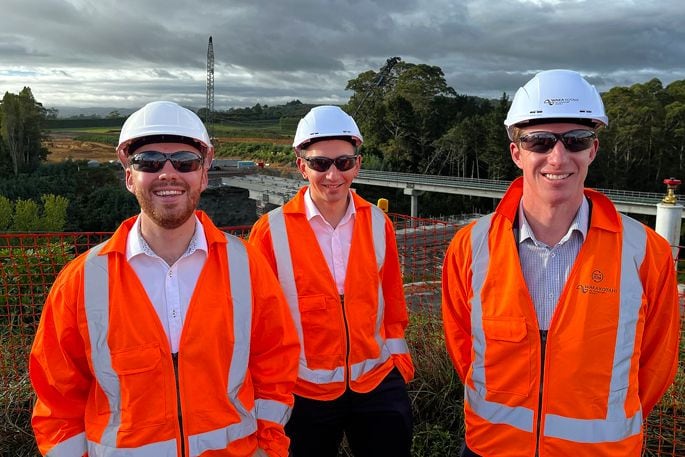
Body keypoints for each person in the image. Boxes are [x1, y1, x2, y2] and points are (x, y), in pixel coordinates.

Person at [29, 101, 300, 457]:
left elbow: (275, 363)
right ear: (129, 177)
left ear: (203, 174)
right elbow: (57, 400)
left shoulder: (246, 266)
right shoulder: (82, 281)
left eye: (185, 161)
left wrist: (268, 447)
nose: (168, 174)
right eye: (150, 161)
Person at [441, 69, 680, 457]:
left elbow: (656, 363)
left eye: (575, 140)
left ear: (593, 149)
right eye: (539, 141)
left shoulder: (644, 251)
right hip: (492, 447)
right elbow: (463, 349)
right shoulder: (471, 246)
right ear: (517, 151)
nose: (558, 156)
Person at [248, 105, 415, 456]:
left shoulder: (376, 222)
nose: (332, 175)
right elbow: (258, 322)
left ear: (358, 163)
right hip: (303, 391)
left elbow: (393, 302)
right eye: (320, 163)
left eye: (344, 162)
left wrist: (399, 366)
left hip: (377, 383)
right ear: (301, 165)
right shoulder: (270, 232)